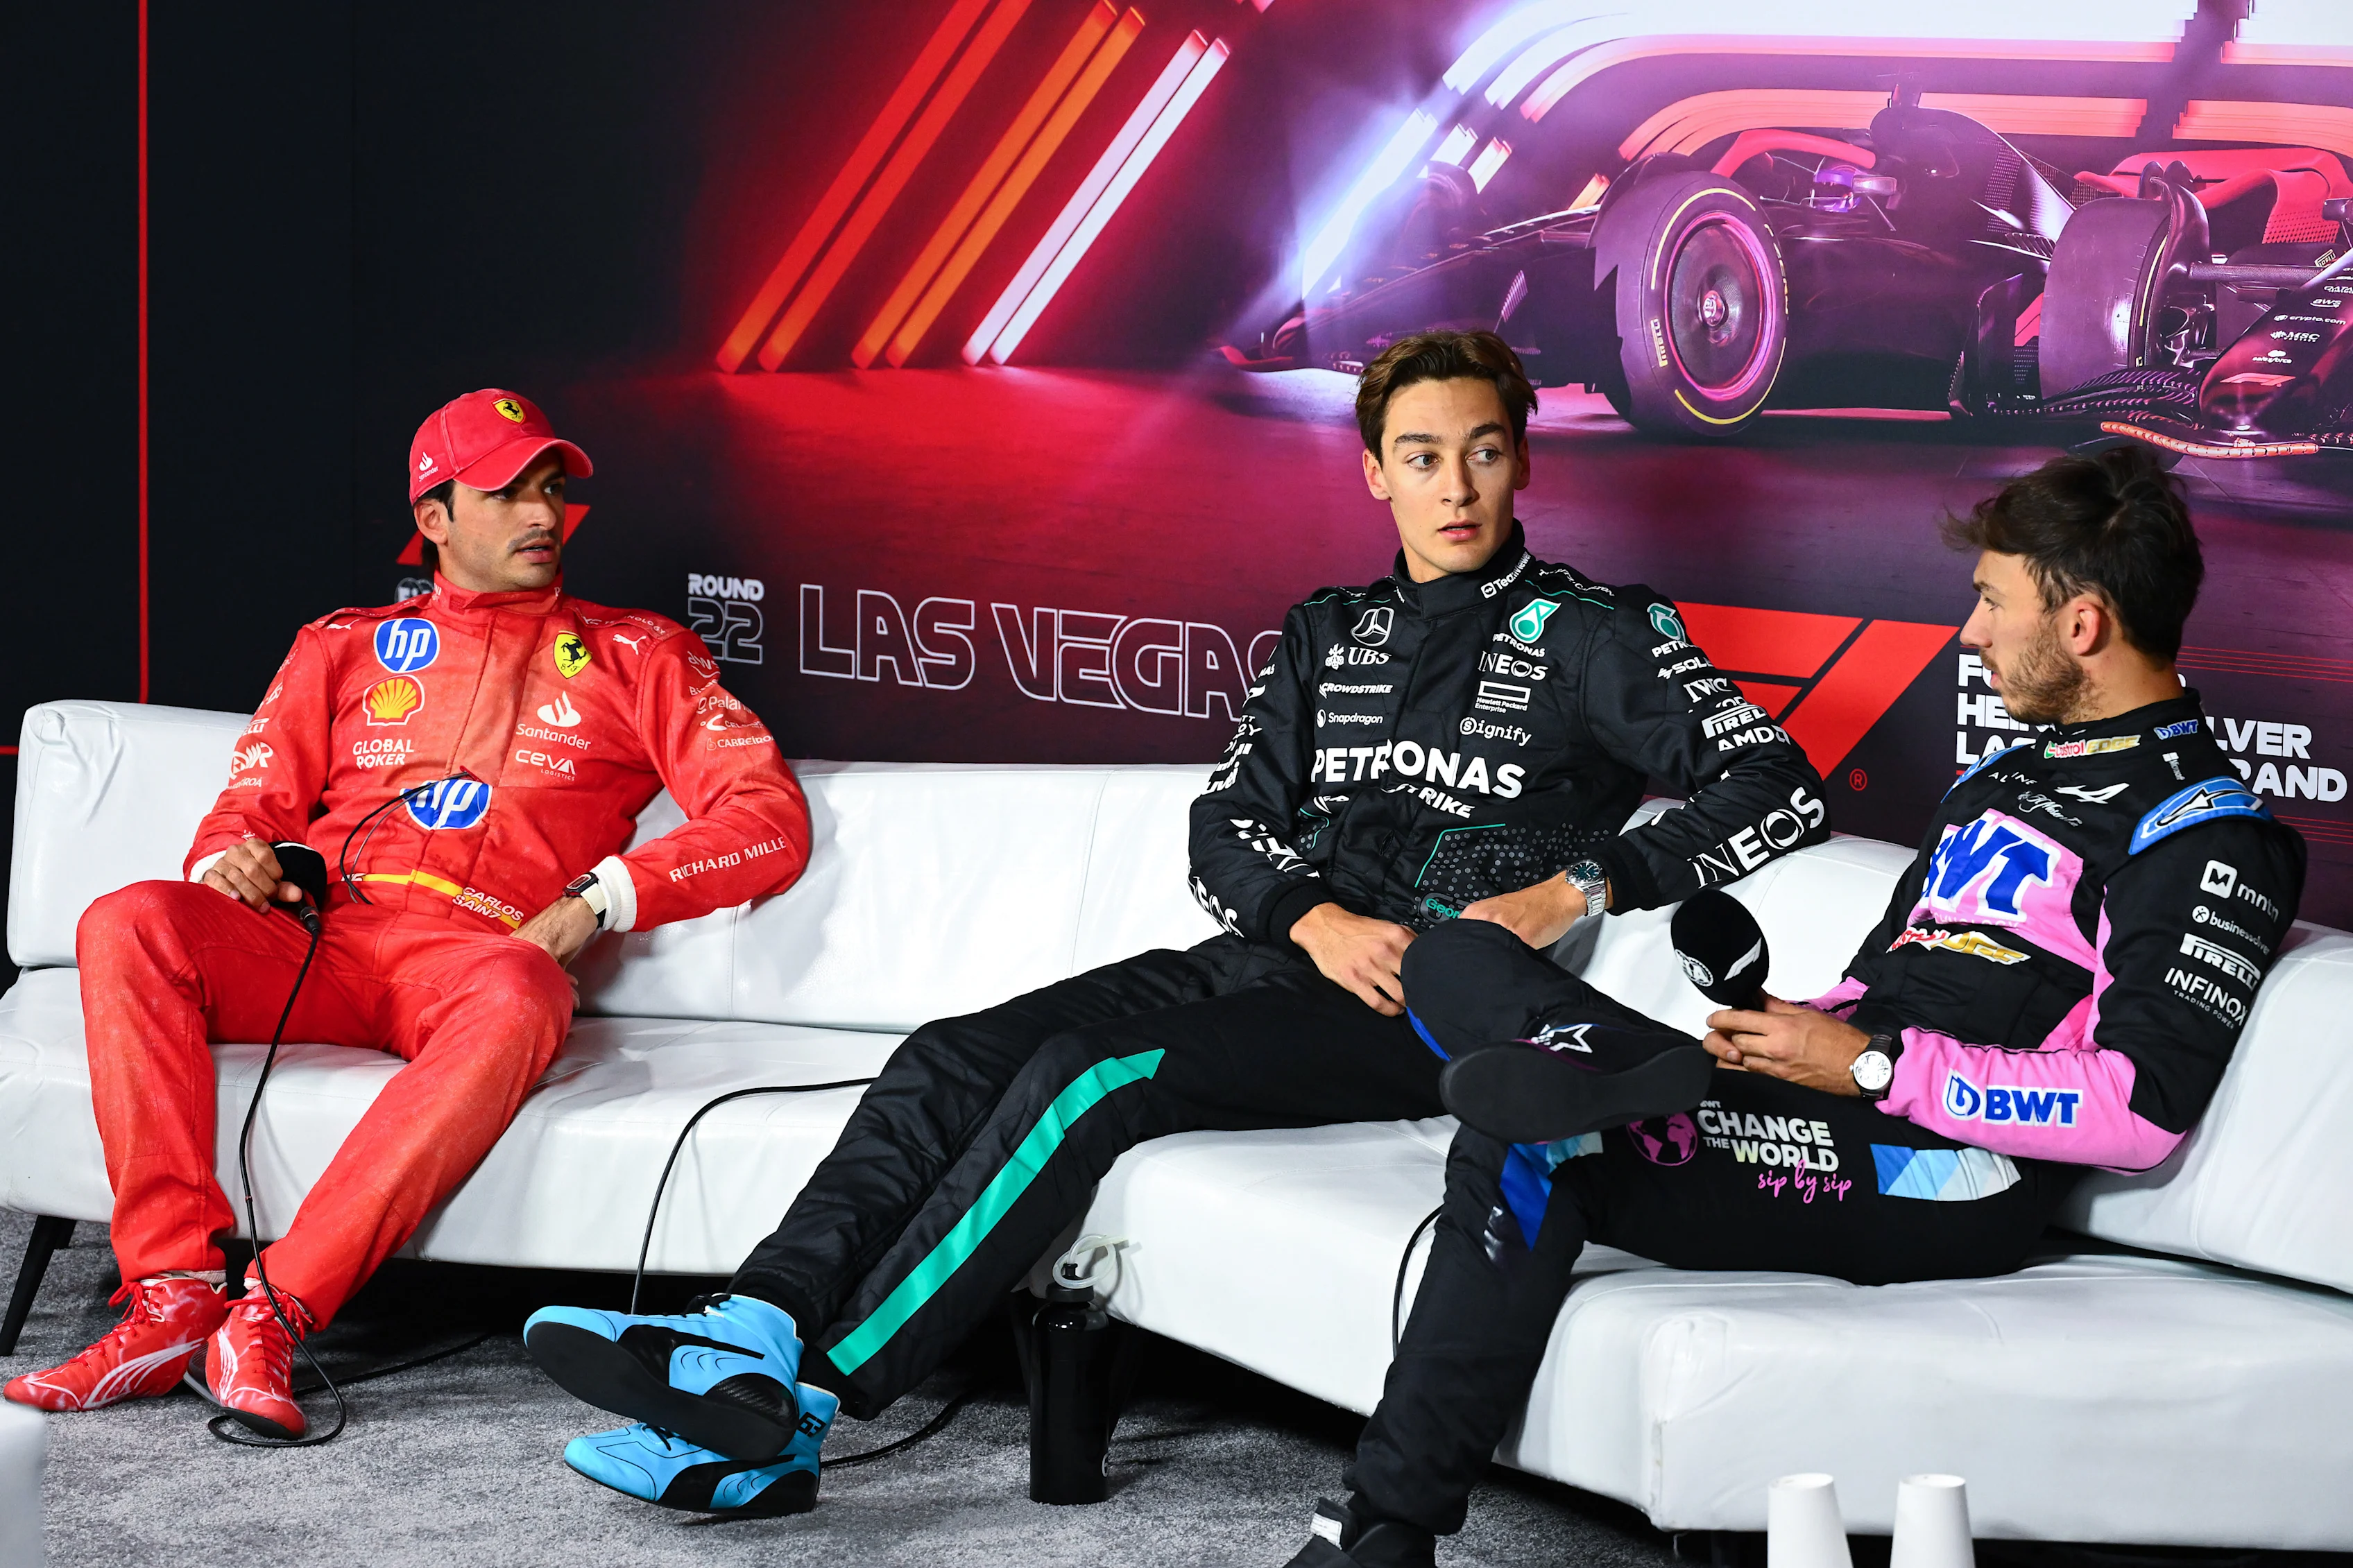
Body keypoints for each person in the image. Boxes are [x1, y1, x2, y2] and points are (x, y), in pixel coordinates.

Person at [520, 329, 1830, 1518]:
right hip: (1275, 959)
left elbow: (1778, 780)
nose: (1458, 487)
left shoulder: (1600, 635)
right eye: (1423, 457)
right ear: (1376, 473)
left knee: (1093, 1081)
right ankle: (749, 1330)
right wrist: (1308, 915)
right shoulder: (1331, 632)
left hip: (1425, 1009)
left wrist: (1584, 887)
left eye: (1484, 453)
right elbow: (1223, 828)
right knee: (950, 1052)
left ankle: (802, 1407)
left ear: (1522, 460)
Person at [1284, 445, 2307, 1567]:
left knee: (1531, 1132)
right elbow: (1884, 983)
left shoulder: (2208, 833)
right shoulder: (1998, 783)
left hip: (1954, 1167)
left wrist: (1869, 1066)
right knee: (1457, 951)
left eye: (1991, 603)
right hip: (1832, 1099)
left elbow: (2141, 1107)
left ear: (2083, 627)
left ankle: (1375, 1534)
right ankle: (1611, 1055)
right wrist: (1790, 1026)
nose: (1969, 635)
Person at [3, 390, 811, 1440]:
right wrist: (228, 863)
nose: (541, 514)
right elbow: (249, 805)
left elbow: (766, 819)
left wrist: (595, 900)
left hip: (477, 962)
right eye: (507, 491)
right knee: (128, 920)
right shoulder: (341, 645)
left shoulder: (638, 653)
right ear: (434, 517)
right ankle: (170, 1299)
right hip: (318, 941)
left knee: (527, 987)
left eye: (552, 489)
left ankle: (276, 1314)